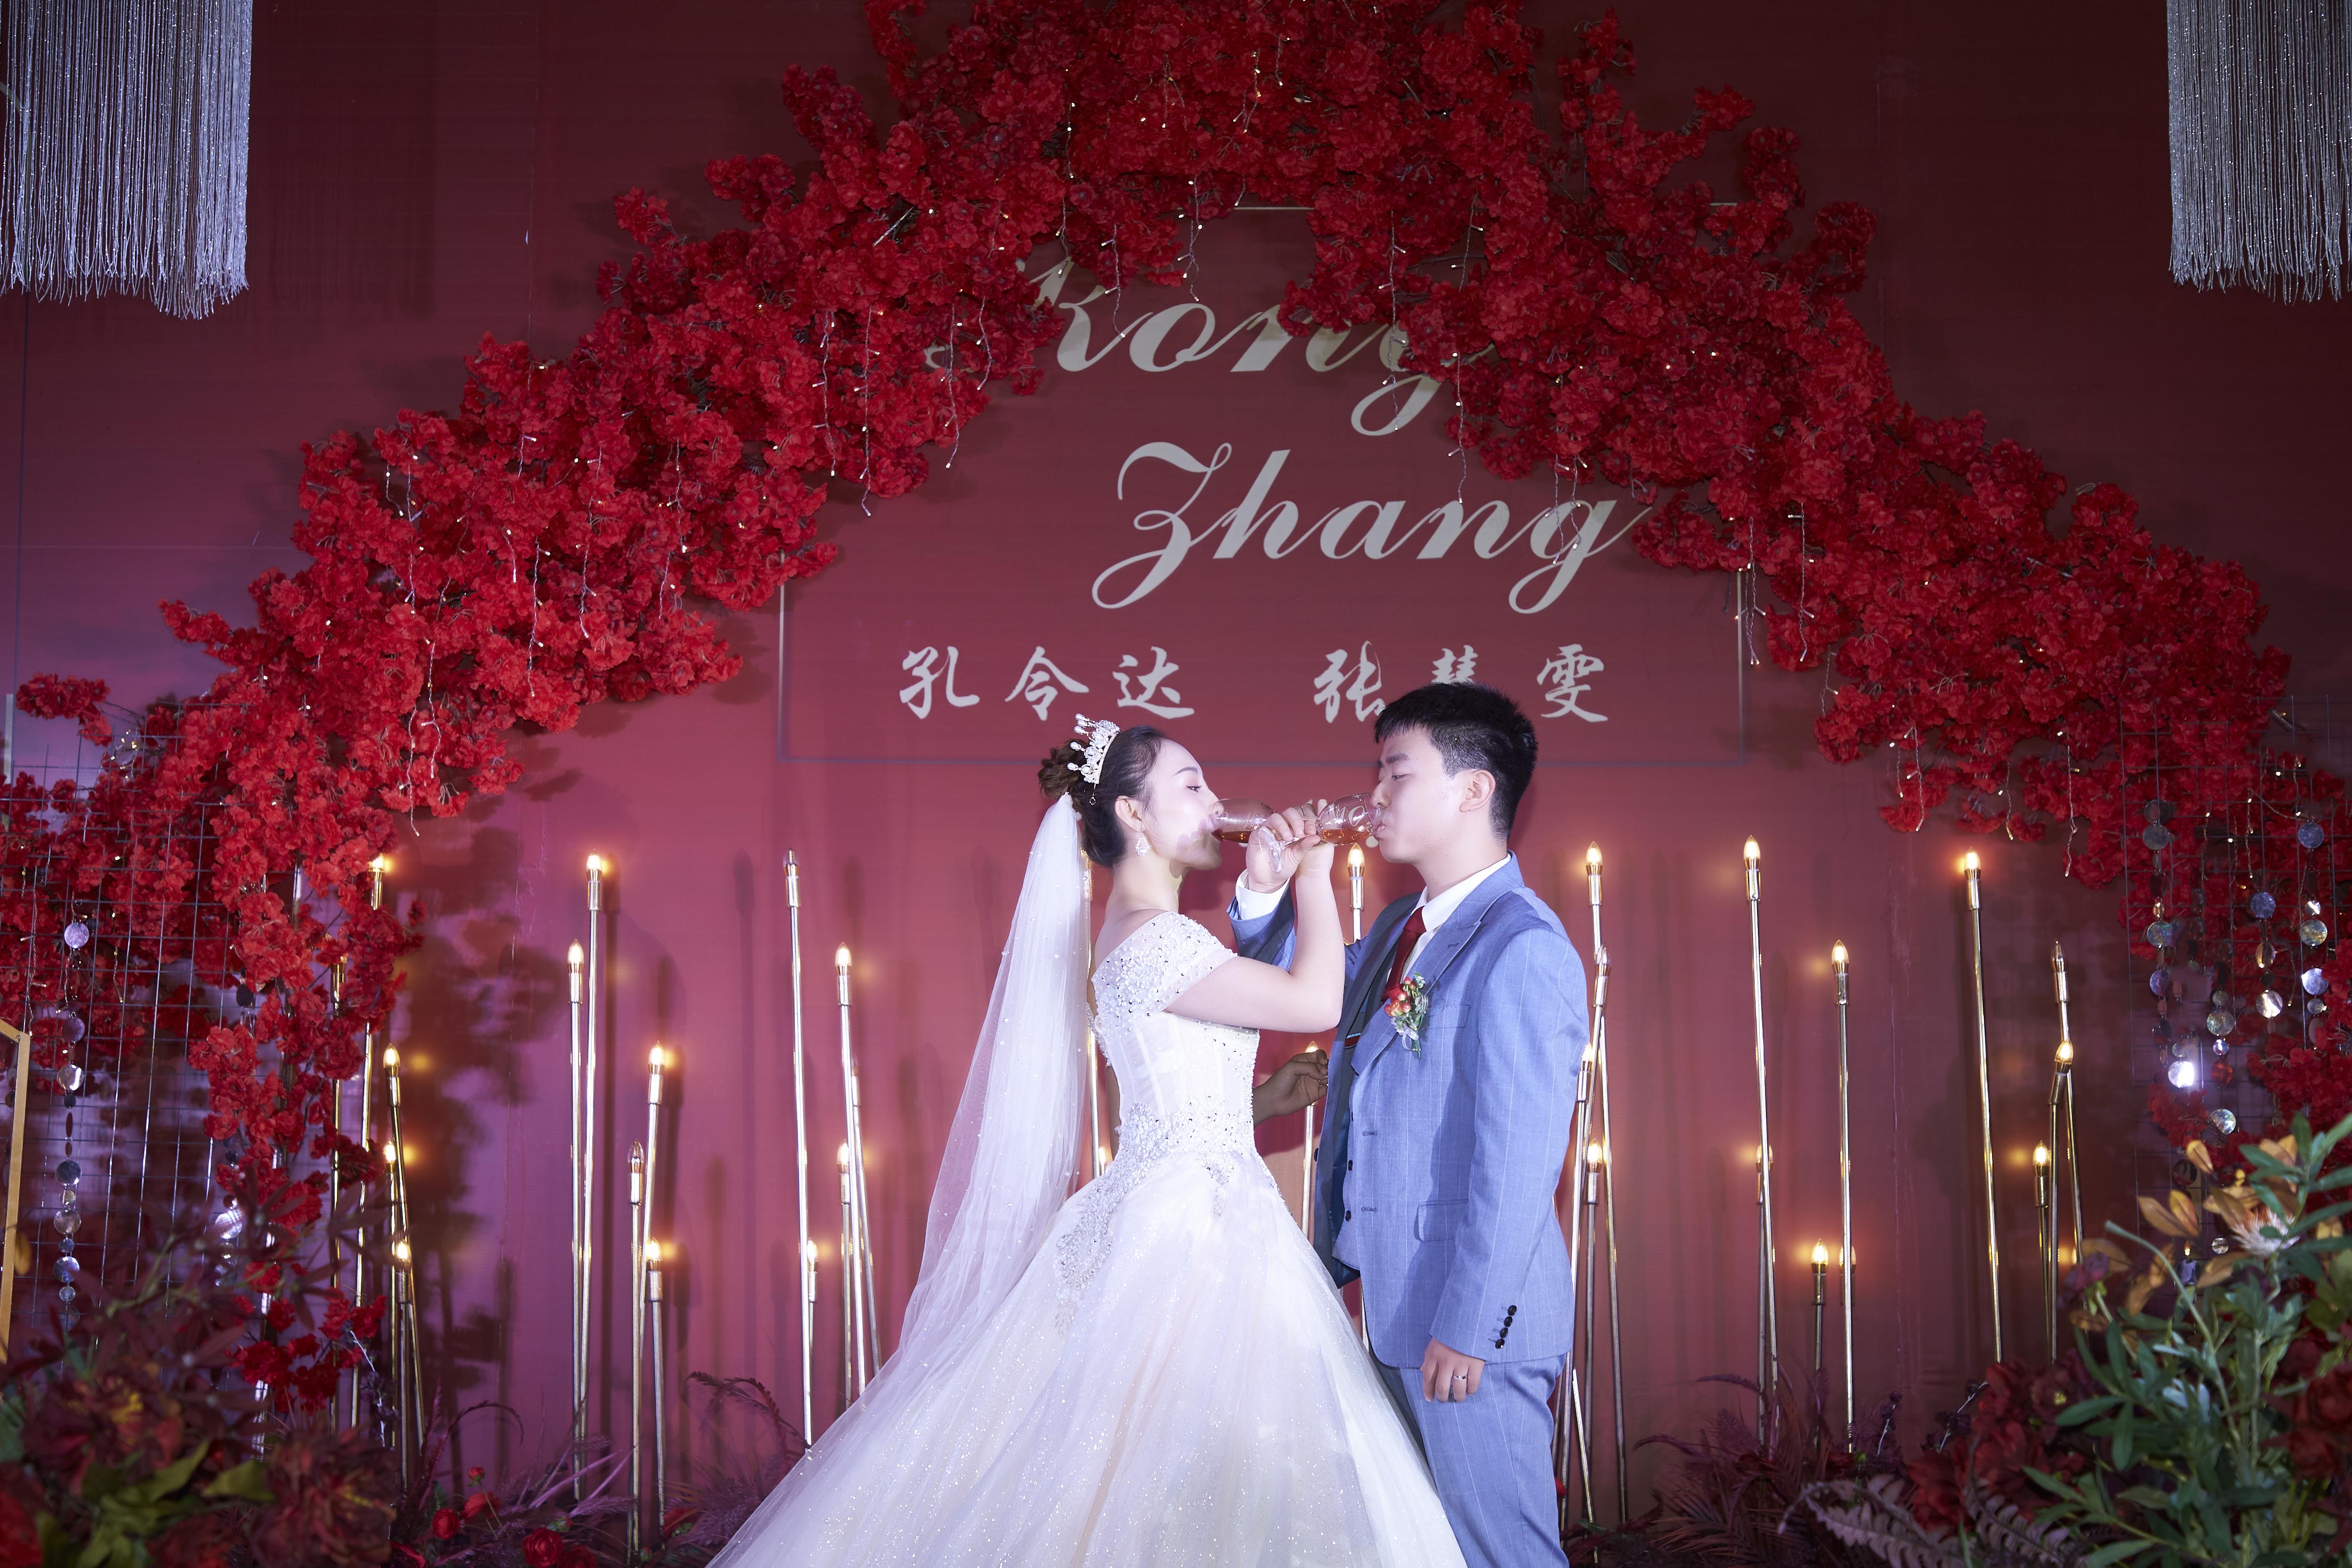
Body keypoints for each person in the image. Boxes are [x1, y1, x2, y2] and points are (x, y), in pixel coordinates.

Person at [710, 716, 1467, 1566]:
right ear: (1134, 814)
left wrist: (1255, 1101)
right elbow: (1317, 1002)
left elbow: (1165, 1098)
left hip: (1185, 1199)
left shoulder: (1137, 932)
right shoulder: (1157, 937)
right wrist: (1316, 872)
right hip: (1197, 1231)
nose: (1216, 802)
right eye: (1191, 785)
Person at [1231, 682, 1582, 1568]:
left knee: (1503, 1553)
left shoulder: (1523, 945)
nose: (1375, 794)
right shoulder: (1402, 926)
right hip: (1396, 1310)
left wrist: (1469, 1324)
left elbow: (1518, 1163)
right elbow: (1300, 985)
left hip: (1471, 1332)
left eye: (1397, 772)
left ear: (1473, 789)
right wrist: (1267, 889)